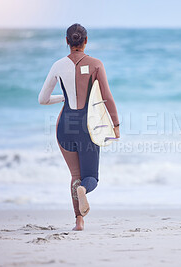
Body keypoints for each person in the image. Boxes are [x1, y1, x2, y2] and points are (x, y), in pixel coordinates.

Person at [38, 23, 120, 230]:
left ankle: (79, 221)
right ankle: (84, 190)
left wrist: (64, 98)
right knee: (90, 177)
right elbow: (107, 98)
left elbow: (43, 99)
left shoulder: (57, 65)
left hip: (64, 125)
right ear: (85, 41)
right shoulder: (96, 64)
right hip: (87, 127)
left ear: (67, 41)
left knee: (74, 175)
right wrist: (115, 125)